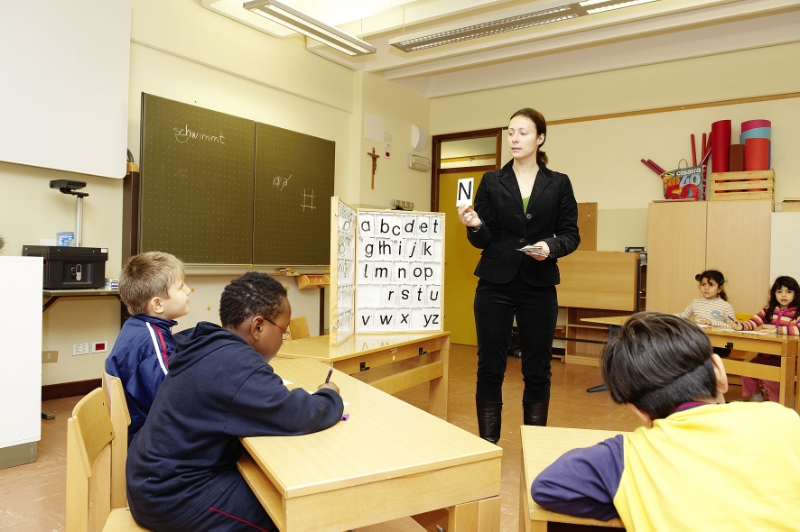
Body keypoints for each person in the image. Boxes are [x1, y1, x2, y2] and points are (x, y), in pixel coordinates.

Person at [531, 312, 800, 530]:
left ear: (636, 409)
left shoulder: (624, 458)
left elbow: (548, 487)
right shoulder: (782, 420)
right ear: (718, 369)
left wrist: (635, 502)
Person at [126, 271, 343, 531]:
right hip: (172, 497)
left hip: (150, 479)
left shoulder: (209, 344)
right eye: (283, 332)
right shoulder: (235, 364)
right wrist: (329, 393)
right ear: (258, 326)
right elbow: (299, 414)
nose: (283, 340)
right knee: (298, 512)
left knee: (278, 486)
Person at [457, 107, 580, 443]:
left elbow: (571, 235)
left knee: (538, 369)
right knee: (490, 367)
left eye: (523, 132)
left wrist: (550, 247)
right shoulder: (492, 181)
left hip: (539, 285)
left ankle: (535, 444)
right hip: (494, 283)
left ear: (540, 138)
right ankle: (488, 444)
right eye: (510, 132)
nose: (514, 138)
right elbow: (482, 239)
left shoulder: (559, 183)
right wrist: (475, 225)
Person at [104, 251, 190, 444]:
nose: (188, 290)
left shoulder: (135, 325)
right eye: (181, 286)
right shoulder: (154, 344)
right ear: (157, 304)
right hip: (149, 440)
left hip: (136, 430)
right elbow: (173, 400)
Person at [730, 275, 800, 402]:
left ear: (795, 294)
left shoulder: (797, 313)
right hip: (764, 356)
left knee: (772, 381)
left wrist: (777, 330)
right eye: (779, 292)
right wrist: (741, 326)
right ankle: (758, 400)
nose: (783, 295)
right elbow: (753, 322)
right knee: (747, 372)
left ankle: (776, 406)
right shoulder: (768, 310)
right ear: (774, 294)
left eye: (788, 292)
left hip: (784, 359)